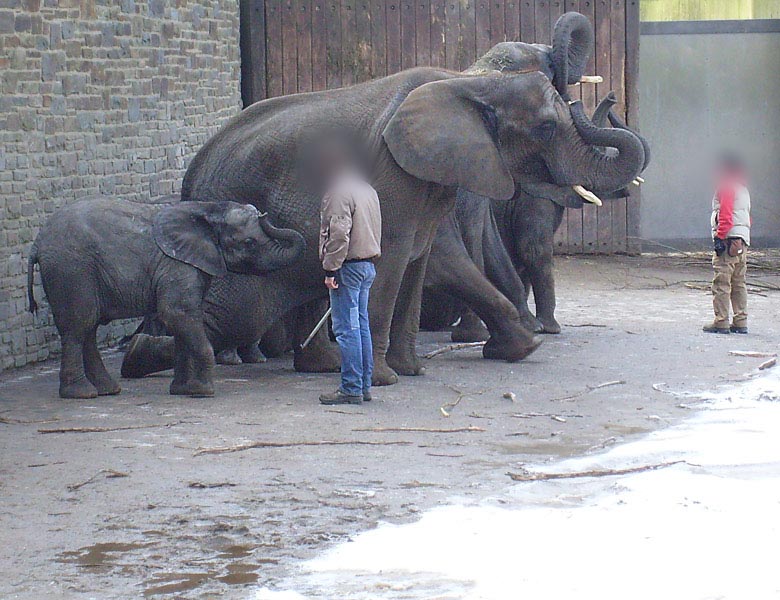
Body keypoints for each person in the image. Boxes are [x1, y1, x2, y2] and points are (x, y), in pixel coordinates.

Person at [317, 152, 382, 405]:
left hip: (348, 268)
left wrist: (330, 269)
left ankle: (351, 387)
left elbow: (339, 234)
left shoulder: (338, 193)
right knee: (361, 326)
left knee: (346, 329)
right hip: (367, 266)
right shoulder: (368, 191)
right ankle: (363, 385)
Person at [703, 153, 751, 335]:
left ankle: (721, 321)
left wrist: (720, 236)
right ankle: (741, 321)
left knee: (722, 281)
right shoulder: (743, 189)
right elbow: (747, 218)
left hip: (728, 239)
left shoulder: (727, 186)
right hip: (741, 240)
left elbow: (725, 215)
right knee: (739, 281)